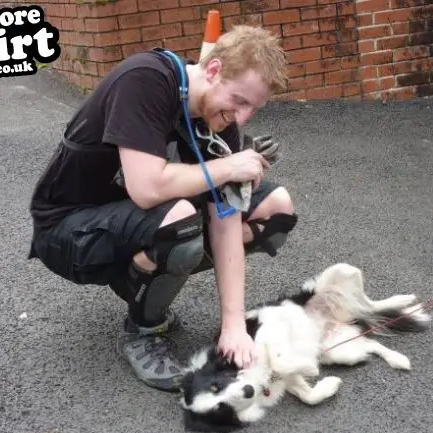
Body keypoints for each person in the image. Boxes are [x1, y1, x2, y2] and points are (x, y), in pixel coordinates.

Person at [27, 25, 298, 392]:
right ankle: (141, 329)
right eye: (239, 100)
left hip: (133, 220)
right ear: (214, 70)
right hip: (69, 230)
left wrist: (234, 325)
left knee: (274, 209)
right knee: (180, 218)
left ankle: (144, 276)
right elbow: (147, 187)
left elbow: (227, 216)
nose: (242, 117)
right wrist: (230, 167)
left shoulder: (220, 120)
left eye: (253, 107)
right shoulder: (147, 79)